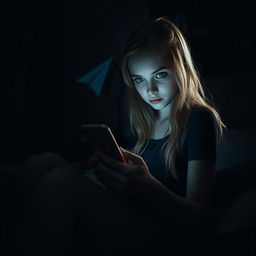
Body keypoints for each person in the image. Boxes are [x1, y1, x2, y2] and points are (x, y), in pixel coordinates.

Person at [10, 16, 226, 256]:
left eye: (161, 75)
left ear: (182, 69)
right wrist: (102, 169)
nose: (150, 90)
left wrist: (146, 187)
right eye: (139, 80)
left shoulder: (198, 119)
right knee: (43, 162)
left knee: (59, 182)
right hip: (132, 210)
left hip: (160, 228)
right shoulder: (144, 119)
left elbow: (199, 218)